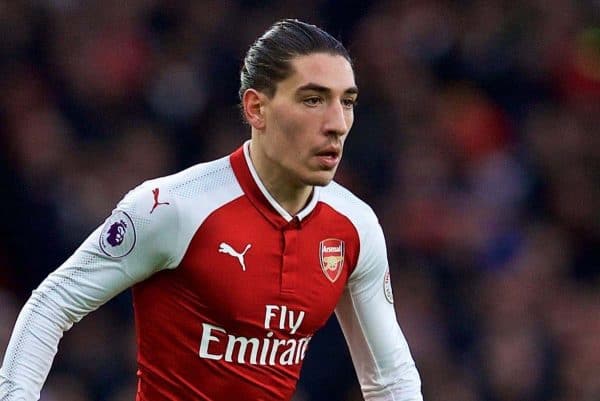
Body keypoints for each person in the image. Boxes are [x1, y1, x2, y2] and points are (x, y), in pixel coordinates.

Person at [0, 19, 422, 401]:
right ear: (257, 108)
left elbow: (390, 380)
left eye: (346, 101)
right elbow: (50, 304)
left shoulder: (355, 226)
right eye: (313, 100)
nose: (337, 123)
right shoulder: (174, 207)